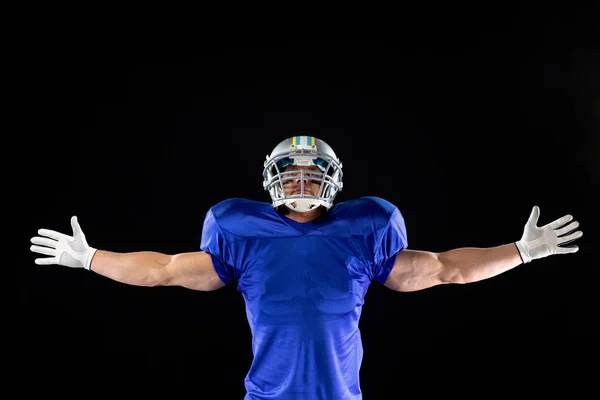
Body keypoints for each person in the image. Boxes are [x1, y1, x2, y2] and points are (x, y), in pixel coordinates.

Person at [29, 135, 583, 400]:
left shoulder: (367, 227)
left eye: (309, 173)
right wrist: (91, 259)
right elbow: (167, 269)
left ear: (332, 178)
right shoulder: (238, 228)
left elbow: (442, 268)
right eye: (288, 174)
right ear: (272, 179)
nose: (299, 183)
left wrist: (521, 250)